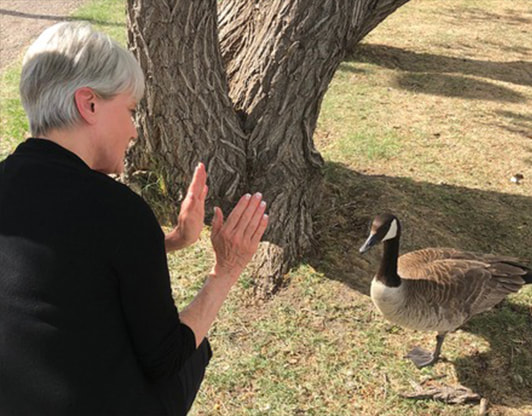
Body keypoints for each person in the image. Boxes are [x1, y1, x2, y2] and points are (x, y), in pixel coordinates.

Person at [0, 21, 268, 416]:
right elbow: (165, 356)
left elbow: (61, 254)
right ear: (88, 104)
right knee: (192, 353)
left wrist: (173, 241)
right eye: (129, 110)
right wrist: (226, 269)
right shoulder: (118, 209)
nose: (134, 132)